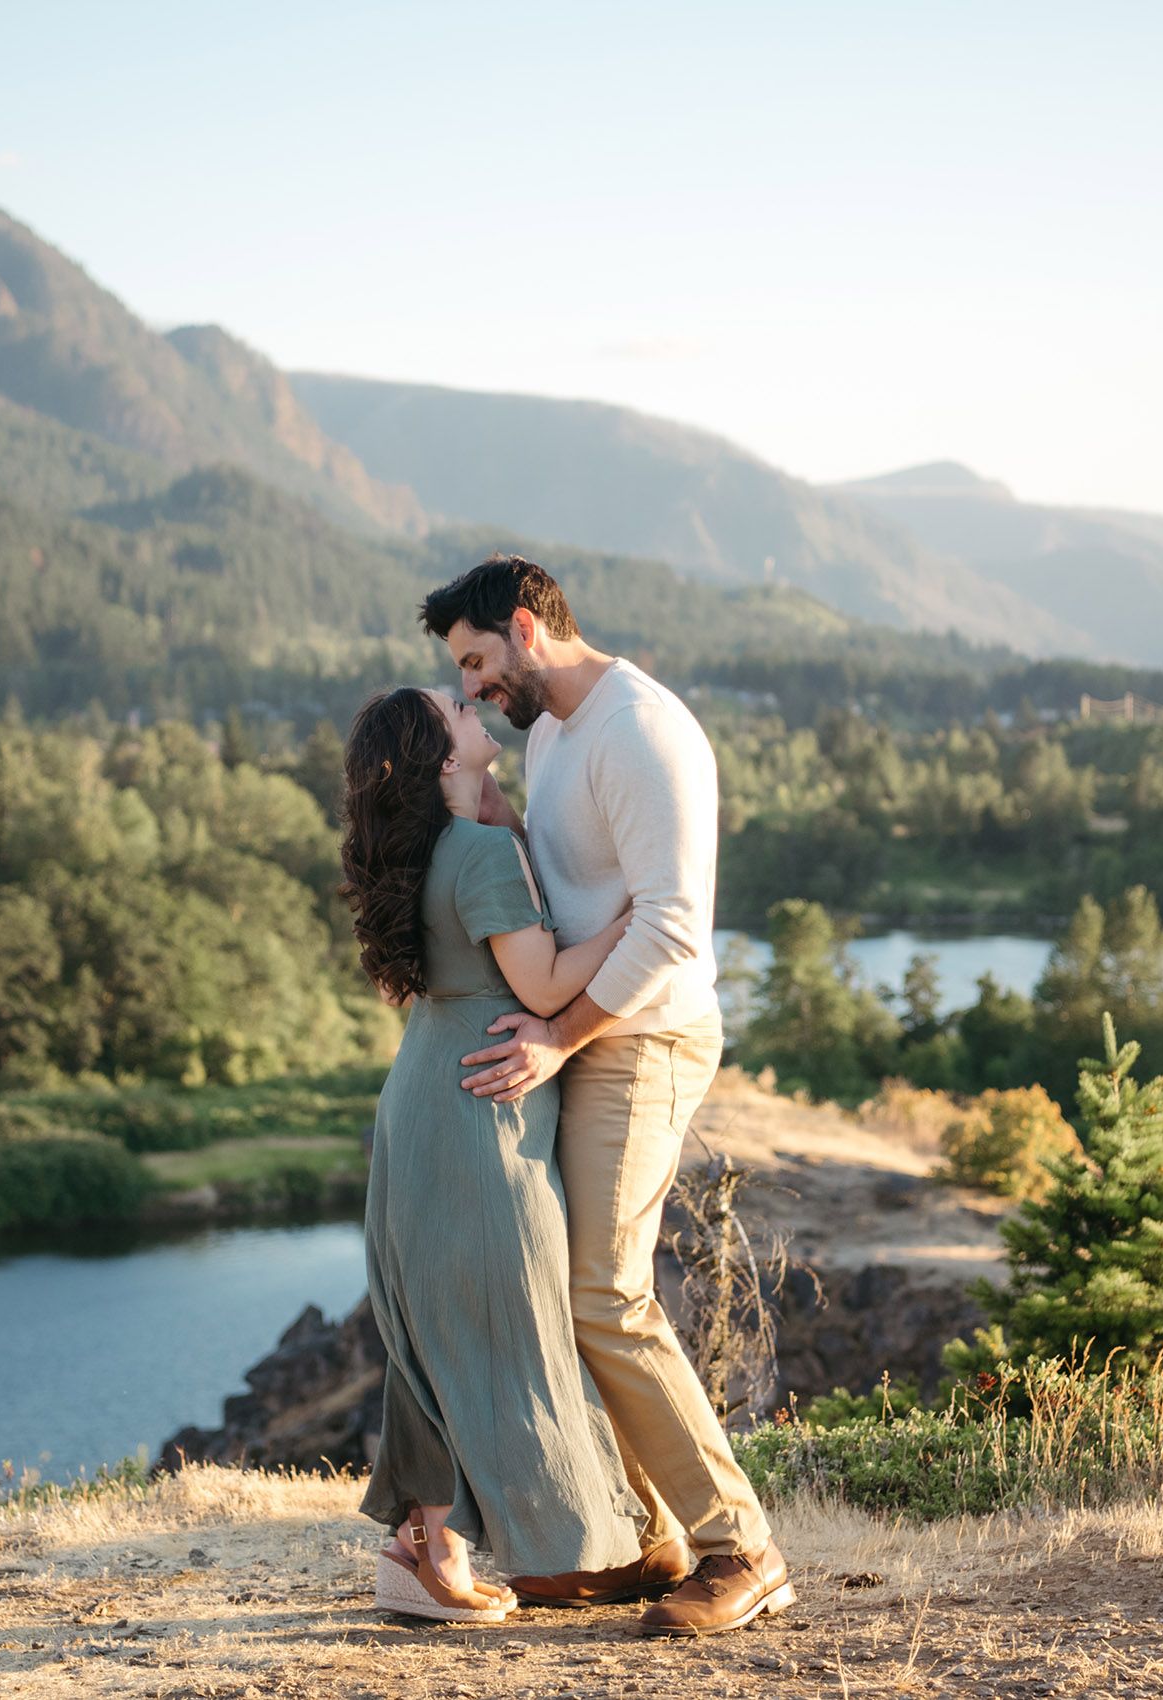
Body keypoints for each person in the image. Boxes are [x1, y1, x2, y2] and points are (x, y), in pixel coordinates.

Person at [426, 555, 796, 1637]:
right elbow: (578, 887)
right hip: (594, 1030)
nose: (474, 687)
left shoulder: (641, 728)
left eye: (478, 659)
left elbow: (675, 925)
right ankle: (649, 1539)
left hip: (647, 1035)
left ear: (528, 627)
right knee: (567, 1284)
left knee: (604, 1291)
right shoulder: (552, 732)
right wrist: (493, 811)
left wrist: (556, 1033)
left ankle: (743, 1547)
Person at [339, 684, 650, 1624]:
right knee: (502, 1326)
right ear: (443, 760)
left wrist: (498, 815)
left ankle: (421, 1546)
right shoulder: (477, 853)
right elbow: (547, 983)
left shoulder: (436, 846)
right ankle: (467, 1552)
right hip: (483, 1119)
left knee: (433, 1333)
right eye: (464, 718)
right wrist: (639, 919)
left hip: (420, 1104)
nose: (482, 715)